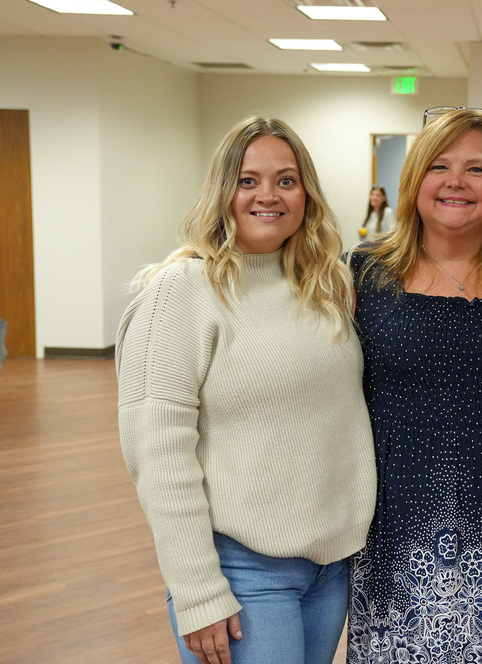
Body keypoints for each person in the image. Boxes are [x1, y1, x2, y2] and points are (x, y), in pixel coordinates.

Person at [116, 115, 377, 664]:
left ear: (306, 193)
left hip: (329, 569)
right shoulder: (182, 292)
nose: (269, 196)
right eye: (248, 180)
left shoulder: (326, 285)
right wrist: (197, 592)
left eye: (286, 180)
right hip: (241, 572)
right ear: (222, 191)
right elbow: (157, 454)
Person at [345, 108, 482, 663]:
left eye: (477, 169)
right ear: (414, 180)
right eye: (439, 165)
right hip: (397, 509)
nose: (456, 181)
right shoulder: (362, 272)